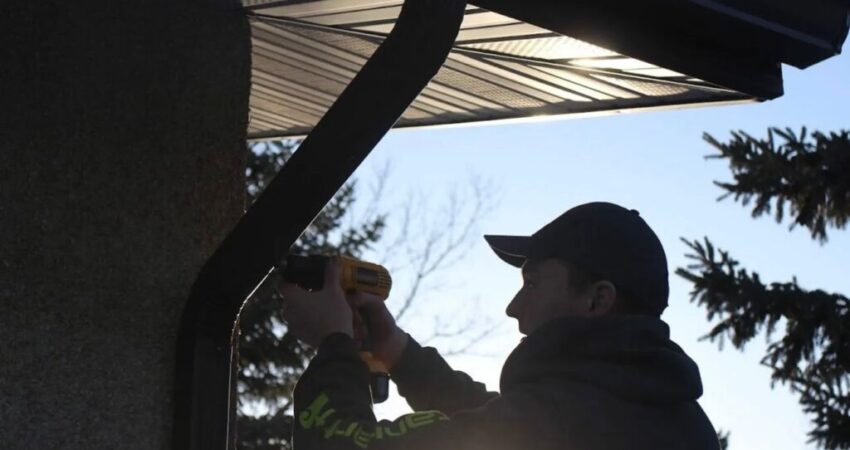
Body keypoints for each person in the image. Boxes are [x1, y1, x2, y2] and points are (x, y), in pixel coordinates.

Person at [279, 201, 720, 450]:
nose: (513, 307)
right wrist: (397, 353)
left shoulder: (562, 421)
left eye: (532, 282)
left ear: (597, 298)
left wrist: (333, 345)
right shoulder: (668, 418)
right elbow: (496, 420)